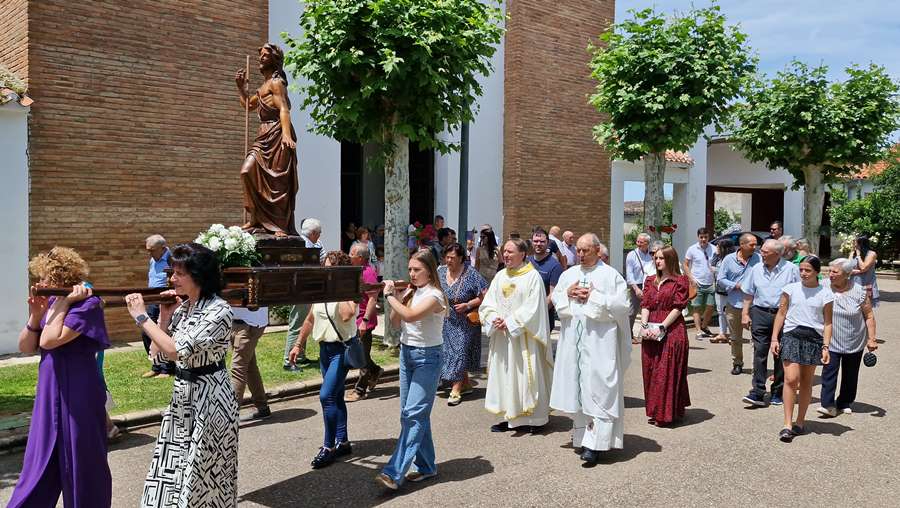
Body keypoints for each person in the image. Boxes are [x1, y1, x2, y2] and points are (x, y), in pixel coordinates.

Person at [125, 243, 238, 507]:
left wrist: (142, 318)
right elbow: (158, 355)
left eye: (179, 273)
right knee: (171, 468)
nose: (172, 279)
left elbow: (176, 350)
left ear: (198, 275)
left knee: (204, 472)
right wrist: (163, 317)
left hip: (210, 399)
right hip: (183, 397)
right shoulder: (186, 307)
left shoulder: (219, 310)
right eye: (171, 272)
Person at [9, 247, 112, 508]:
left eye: (45, 277)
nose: (40, 283)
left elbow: (50, 340)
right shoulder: (51, 303)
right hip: (49, 388)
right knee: (39, 459)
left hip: (79, 389)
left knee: (82, 460)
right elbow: (26, 345)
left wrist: (64, 303)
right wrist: (35, 315)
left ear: (60, 278)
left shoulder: (88, 304)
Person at [550, 234, 631, 463]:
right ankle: (582, 437)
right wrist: (568, 294)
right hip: (574, 344)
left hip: (599, 344)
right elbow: (557, 300)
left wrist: (594, 296)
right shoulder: (569, 274)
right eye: (578, 250)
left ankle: (596, 444)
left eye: (586, 250)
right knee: (578, 387)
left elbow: (622, 306)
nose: (581, 254)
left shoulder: (610, 275)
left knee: (599, 390)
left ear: (598, 250)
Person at [376, 250, 448, 490]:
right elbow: (397, 322)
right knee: (413, 414)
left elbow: (410, 316)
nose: (412, 274)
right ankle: (427, 466)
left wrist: (389, 297)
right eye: (410, 269)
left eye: (417, 269)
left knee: (413, 415)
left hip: (428, 357)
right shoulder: (412, 292)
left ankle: (394, 472)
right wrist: (399, 296)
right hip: (407, 354)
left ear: (430, 270)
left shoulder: (436, 296)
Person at [288, 251, 359, 468]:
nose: (325, 271)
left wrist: (338, 287)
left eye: (330, 268)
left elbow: (347, 314)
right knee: (336, 396)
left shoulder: (348, 291)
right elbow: (310, 319)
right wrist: (298, 344)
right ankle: (343, 441)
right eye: (324, 267)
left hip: (341, 351)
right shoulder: (322, 292)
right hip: (324, 350)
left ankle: (328, 447)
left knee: (326, 396)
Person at [480, 238, 553, 434]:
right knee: (504, 374)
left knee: (524, 373)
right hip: (503, 338)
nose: (506, 255)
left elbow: (534, 308)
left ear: (523, 254)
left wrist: (510, 322)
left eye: (511, 252)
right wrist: (494, 318)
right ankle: (506, 416)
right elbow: (488, 303)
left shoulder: (532, 277)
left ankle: (533, 419)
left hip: (524, 338)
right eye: (505, 252)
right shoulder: (500, 276)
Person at [235, 43, 298, 237]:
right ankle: (255, 217)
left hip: (278, 133)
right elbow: (247, 105)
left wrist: (286, 135)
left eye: (265, 55)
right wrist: (240, 88)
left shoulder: (276, 83)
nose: (260, 58)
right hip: (263, 136)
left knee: (277, 181)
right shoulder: (262, 88)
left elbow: (283, 109)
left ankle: (279, 226)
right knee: (247, 171)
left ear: (275, 60)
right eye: (260, 55)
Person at [770, 256, 833, 442]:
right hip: (791, 336)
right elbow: (781, 313)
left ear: (817, 272)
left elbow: (828, 322)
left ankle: (800, 421)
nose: (803, 274)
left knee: (806, 381)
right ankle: (787, 424)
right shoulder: (790, 289)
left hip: (814, 338)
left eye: (808, 270)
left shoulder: (826, 293)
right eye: (801, 270)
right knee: (791, 379)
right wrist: (775, 338)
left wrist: (826, 346)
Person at [740, 239, 800, 407]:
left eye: (765, 251)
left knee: (780, 354)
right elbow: (749, 293)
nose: (761, 253)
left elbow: (799, 293)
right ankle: (757, 391)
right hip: (760, 313)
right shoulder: (755, 269)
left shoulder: (791, 270)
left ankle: (778, 392)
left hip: (783, 316)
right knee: (759, 352)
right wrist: (745, 313)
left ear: (777, 254)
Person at [817, 258, 878, 417]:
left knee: (850, 375)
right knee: (829, 372)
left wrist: (872, 339)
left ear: (847, 274)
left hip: (854, 340)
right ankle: (827, 404)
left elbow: (869, 316)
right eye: (829, 271)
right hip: (831, 340)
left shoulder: (859, 291)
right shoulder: (822, 286)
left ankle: (844, 401)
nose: (830, 274)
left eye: (835, 272)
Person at [639, 246, 692, 426]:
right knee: (651, 370)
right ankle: (655, 411)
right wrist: (645, 325)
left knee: (666, 371)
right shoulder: (650, 280)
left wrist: (662, 326)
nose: (657, 261)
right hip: (651, 329)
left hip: (671, 329)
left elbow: (678, 307)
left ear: (670, 260)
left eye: (661, 258)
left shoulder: (680, 281)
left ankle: (666, 414)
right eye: (656, 258)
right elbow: (646, 304)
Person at [438, 243, 488, 406]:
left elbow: (484, 295)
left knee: (459, 352)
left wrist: (467, 305)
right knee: (448, 352)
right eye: (447, 257)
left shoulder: (471, 273)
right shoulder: (440, 271)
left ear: (461, 258)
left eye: (453, 257)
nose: (449, 260)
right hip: (446, 319)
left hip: (465, 320)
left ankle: (456, 389)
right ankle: (465, 383)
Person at [716, 233, 760, 375]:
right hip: (734, 303)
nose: (755, 247)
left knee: (757, 338)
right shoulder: (729, 260)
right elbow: (721, 279)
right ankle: (737, 363)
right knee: (735, 337)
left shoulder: (758, 258)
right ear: (742, 245)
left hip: (754, 305)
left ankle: (757, 366)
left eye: (755, 244)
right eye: (752, 244)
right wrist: (736, 285)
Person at [283, 218, 324, 370]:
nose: (319, 236)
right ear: (313, 233)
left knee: (304, 322)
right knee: (297, 324)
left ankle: (299, 356)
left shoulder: (311, 244)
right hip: (301, 288)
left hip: (306, 287)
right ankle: (289, 361)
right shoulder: (302, 245)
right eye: (318, 233)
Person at [345, 243, 383, 402]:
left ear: (360, 257)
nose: (349, 256)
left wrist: (364, 321)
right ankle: (375, 371)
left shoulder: (368, 273)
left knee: (361, 356)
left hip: (364, 320)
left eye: (351, 254)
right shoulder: (356, 271)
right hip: (355, 319)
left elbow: (373, 299)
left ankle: (360, 390)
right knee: (362, 354)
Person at [230, 304, 271, 422]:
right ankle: (262, 408)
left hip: (249, 323)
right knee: (249, 367)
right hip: (242, 322)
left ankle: (230, 416)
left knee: (238, 370)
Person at [142, 234, 175, 378]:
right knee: (146, 332)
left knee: (164, 333)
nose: (149, 253)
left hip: (166, 300)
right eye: (148, 250)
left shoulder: (172, 259)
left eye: (152, 250)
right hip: (152, 299)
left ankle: (167, 368)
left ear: (162, 248)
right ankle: (156, 366)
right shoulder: (152, 260)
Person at [683, 227, 716, 339]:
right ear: (698, 237)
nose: (703, 239)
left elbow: (718, 263)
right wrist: (691, 279)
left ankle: (704, 326)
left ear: (708, 237)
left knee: (711, 306)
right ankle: (698, 331)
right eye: (701, 237)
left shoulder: (714, 249)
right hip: (696, 283)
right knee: (696, 307)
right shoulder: (692, 249)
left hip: (711, 282)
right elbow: (686, 264)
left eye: (705, 237)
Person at [528, 227, 563, 331]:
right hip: (525, 317)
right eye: (535, 241)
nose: (538, 244)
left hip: (544, 318)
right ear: (531, 242)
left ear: (548, 243)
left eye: (542, 241)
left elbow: (553, 295)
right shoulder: (526, 262)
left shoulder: (555, 266)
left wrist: (537, 312)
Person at [625, 233, 653, 342]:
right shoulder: (632, 255)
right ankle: (628, 335)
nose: (638, 244)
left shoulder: (652, 254)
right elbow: (629, 274)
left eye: (641, 242)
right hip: (637, 285)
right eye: (638, 241)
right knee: (633, 311)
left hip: (650, 285)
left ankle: (648, 333)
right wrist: (636, 289)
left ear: (647, 243)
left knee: (649, 310)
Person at [710, 239, 736, 344]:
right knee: (720, 312)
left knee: (730, 313)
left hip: (730, 290)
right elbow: (711, 267)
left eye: (718, 246)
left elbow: (723, 272)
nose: (716, 248)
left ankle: (733, 334)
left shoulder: (732, 259)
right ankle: (722, 333)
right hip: (719, 288)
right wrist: (716, 255)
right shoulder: (718, 258)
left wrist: (716, 270)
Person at [851, 235, 880, 308]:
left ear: (861, 244)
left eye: (855, 242)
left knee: (866, 312)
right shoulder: (852, 254)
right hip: (852, 285)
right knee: (853, 310)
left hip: (866, 285)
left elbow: (863, 267)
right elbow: (848, 267)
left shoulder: (871, 254)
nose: (853, 244)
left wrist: (858, 256)